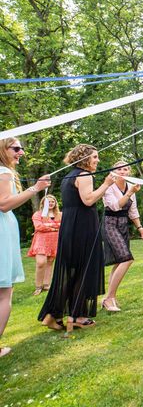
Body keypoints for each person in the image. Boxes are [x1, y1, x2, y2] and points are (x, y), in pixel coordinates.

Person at [38, 144, 115, 333]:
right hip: (83, 226)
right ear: (84, 158)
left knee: (73, 270)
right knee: (84, 268)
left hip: (71, 225)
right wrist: (106, 184)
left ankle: (53, 315)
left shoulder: (69, 176)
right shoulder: (84, 175)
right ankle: (77, 316)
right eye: (94, 157)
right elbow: (88, 200)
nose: (97, 160)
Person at [0, 138, 50, 356]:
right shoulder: (4, 172)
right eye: (16, 148)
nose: (21, 152)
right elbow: (4, 204)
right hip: (2, 230)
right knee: (4, 294)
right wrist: (35, 188)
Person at [101, 161, 143, 311]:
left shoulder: (131, 187)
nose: (122, 171)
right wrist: (130, 193)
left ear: (129, 172)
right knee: (127, 259)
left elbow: (132, 210)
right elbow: (115, 206)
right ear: (113, 171)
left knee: (119, 261)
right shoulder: (109, 186)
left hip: (123, 225)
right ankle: (109, 298)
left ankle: (109, 297)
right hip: (110, 224)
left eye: (125, 169)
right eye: (119, 169)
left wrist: (139, 227)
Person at [28, 194, 61, 295]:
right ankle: (38, 286)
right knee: (41, 263)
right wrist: (55, 227)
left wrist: (47, 225)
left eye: (52, 201)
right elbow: (39, 227)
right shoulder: (38, 214)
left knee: (50, 262)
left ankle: (46, 284)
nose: (50, 203)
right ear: (43, 203)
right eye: (48, 202)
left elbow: (63, 225)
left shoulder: (60, 214)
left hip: (54, 240)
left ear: (55, 203)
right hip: (41, 240)